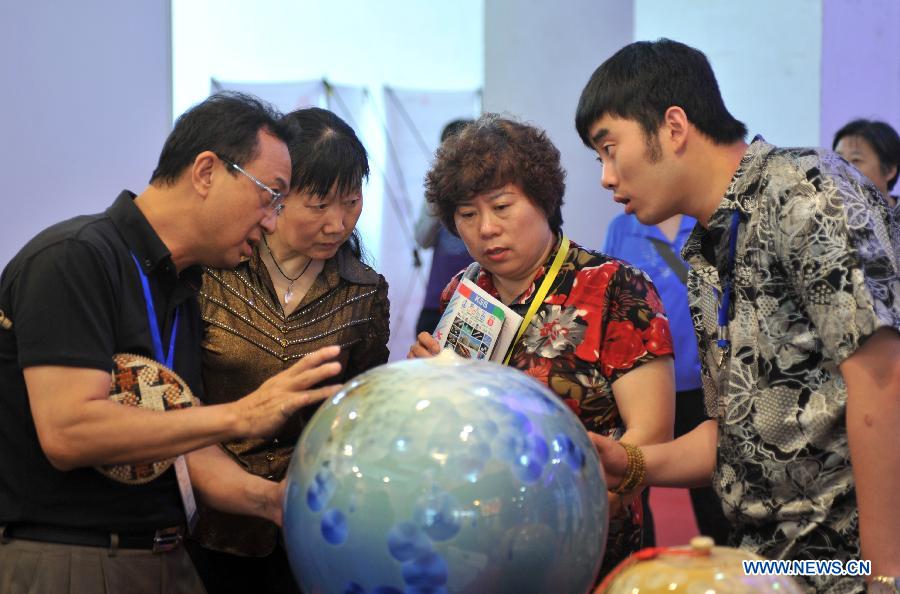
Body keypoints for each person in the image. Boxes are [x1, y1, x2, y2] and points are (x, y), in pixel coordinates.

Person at [576, 39, 900, 593]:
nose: (606, 177)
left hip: (840, 564)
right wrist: (629, 463)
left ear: (673, 127)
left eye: (611, 148)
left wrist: (885, 573)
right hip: (768, 565)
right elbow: (735, 436)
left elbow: (883, 379)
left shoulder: (805, 192)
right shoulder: (709, 248)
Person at [0, 92, 343, 594]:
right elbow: (69, 430)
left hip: (165, 558)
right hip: (71, 558)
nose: (272, 220)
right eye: (270, 196)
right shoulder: (74, 260)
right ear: (206, 172)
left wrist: (271, 501)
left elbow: (179, 440)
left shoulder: (180, 287)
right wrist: (241, 415)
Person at [407, 114, 675, 577]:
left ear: (543, 200)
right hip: (475, 543)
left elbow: (649, 435)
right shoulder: (465, 291)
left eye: (502, 207)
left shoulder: (616, 288)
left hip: (582, 541)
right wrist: (429, 382)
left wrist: (588, 507)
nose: (485, 228)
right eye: (467, 215)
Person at [187, 107, 390, 594]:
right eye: (318, 205)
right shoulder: (212, 275)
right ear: (274, 197)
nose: (337, 223)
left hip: (313, 524)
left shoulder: (364, 292)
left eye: (352, 202)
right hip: (210, 520)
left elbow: (361, 411)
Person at [603, 212, 730, 547]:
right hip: (641, 392)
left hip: (703, 386)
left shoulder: (707, 221)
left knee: (715, 498)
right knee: (636, 495)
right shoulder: (622, 227)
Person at [414, 119, 474, 335]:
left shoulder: (483, 193)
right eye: (447, 153)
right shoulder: (436, 194)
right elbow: (422, 239)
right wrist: (436, 194)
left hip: (474, 302)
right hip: (436, 299)